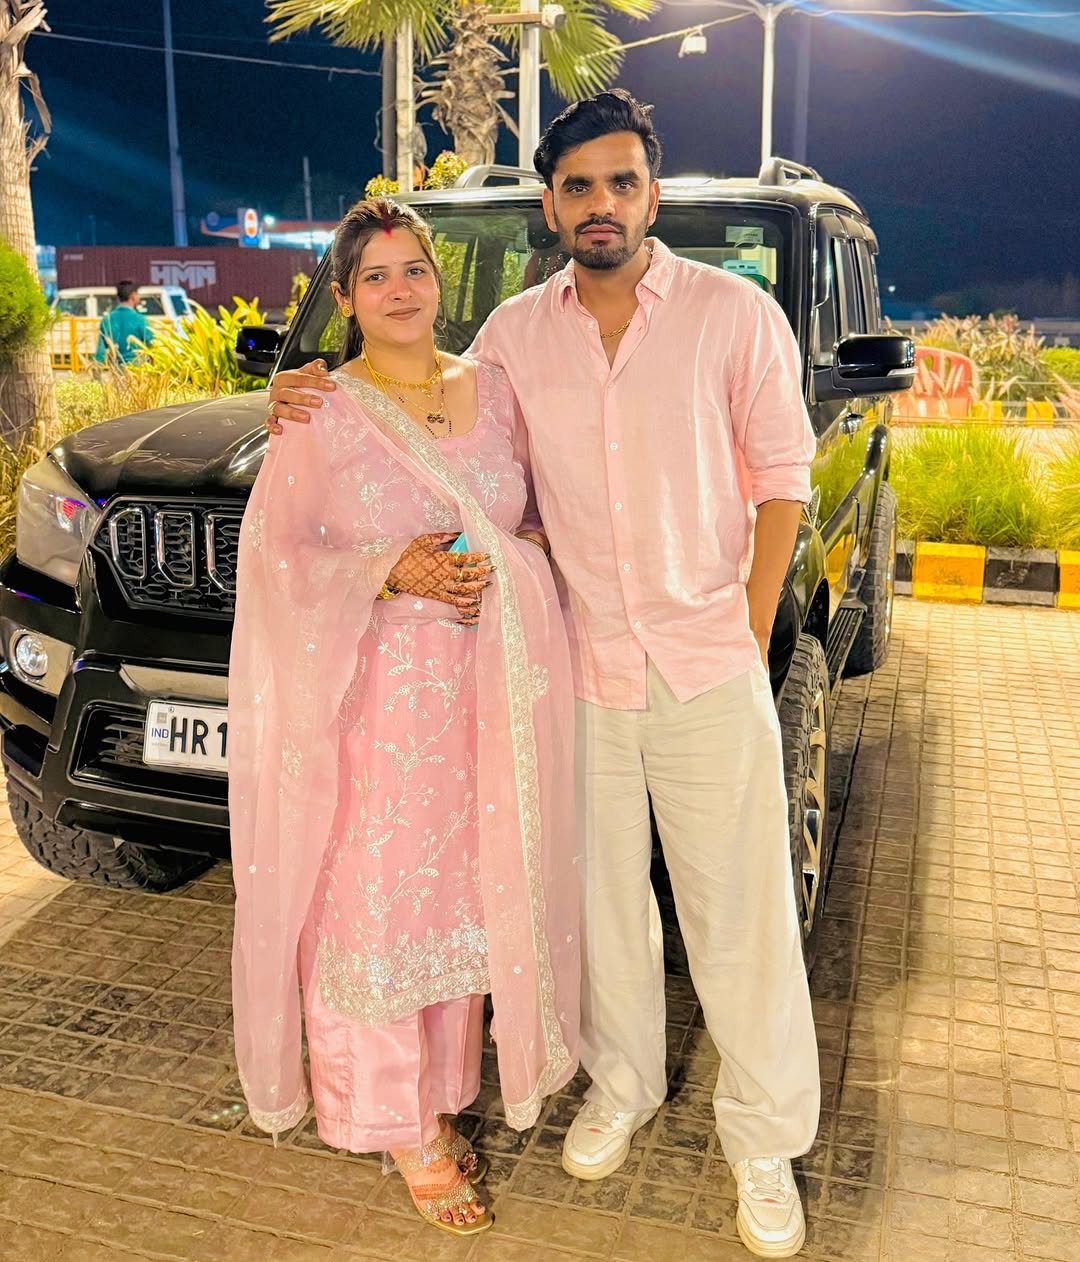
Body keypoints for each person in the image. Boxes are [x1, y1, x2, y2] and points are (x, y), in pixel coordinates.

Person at [265, 93, 820, 1259]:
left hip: (705, 664)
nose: (600, 204)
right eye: (578, 187)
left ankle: (763, 1137)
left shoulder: (734, 315)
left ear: (652, 195)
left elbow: (782, 480)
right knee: (599, 903)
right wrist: (293, 391)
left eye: (621, 182)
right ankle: (623, 1083)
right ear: (553, 206)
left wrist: (752, 625)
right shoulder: (515, 339)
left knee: (740, 913)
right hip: (577, 670)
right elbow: (427, 419)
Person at [229, 196, 580, 1238]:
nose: (399, 290)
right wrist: (388, 569)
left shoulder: (497, 391)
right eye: (375, 276)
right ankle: (392, 1119)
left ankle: (437, 1094)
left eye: (414, 269)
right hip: (373, 711)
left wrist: (507, 563)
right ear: (344, 298)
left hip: (483, 701)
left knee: (461, 899)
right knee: (377, 903)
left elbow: (536, 523)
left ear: (438, 280)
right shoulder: (319, 412)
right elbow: (276, 560)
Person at [94, 280, 153, 364]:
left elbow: (100, 354)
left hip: (115, 368)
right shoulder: (140, 319)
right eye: (138, 294)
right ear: (133, 296)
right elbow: (151, 345)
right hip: (138, 368)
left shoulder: (106, 320)